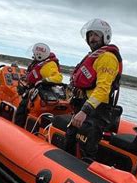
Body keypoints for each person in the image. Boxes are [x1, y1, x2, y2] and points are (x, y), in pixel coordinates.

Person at [65, 19, 122, 161]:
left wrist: (85, 111)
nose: (92, 39)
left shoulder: (107, 58)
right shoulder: (95, 56)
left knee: (86, 149)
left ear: (105, 36)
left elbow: (103, 89)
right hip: (85, 108)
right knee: (70, 141)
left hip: (96, 112)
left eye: (96, 35)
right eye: (90, 35)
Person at [14, 43, 63, 127]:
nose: (33, 56)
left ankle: (18, 128)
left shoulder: (48, 65)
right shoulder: (42, 63)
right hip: (33, 90)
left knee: (21, 111)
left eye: (34, 54)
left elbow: (58, 77)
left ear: (39, 54)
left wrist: (43, 81)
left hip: (39, 93)